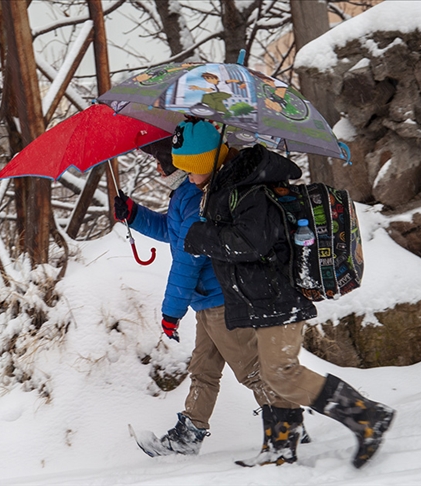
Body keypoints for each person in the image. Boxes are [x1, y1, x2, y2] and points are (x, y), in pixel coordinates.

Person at [176, 119, 396, 469]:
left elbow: (253, 243)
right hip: (259, 297)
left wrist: (203, 237)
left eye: (189, 169)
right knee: (272, 372)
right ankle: (280, 446)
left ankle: (367, 416)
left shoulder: (248, 190)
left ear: (206, 161)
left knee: (281, 372)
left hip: (276, 296)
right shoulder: (227, 187)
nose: (186, 177)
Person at [113, 130, 306, 462]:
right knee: (203, 369)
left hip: (219, 300)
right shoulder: (185, 194)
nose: (157, 171)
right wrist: (134, 214)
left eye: (159, 164)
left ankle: (287, 425)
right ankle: (189, 435)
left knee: (251, 370)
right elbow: (171, 232)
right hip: (208, 300)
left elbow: (187, 261)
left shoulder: (195, 197)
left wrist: (171, 313)